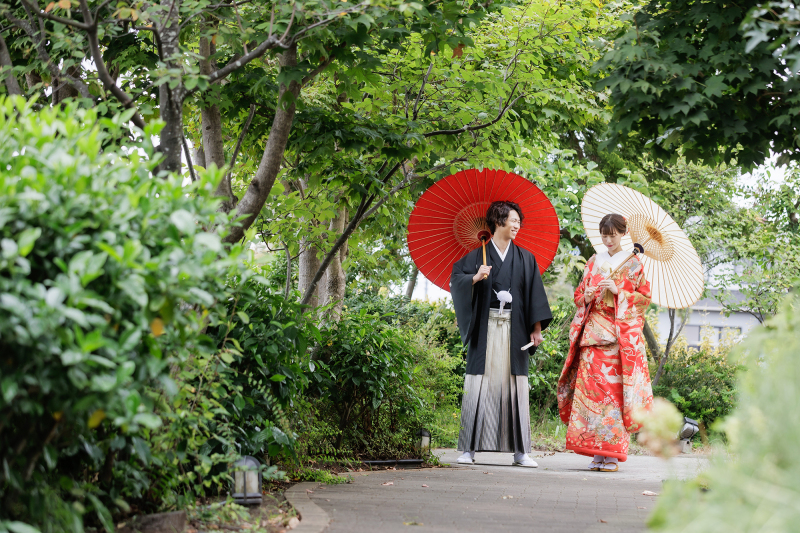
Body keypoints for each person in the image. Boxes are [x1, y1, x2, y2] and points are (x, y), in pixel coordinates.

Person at [450, 201, 553, 467]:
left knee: (515, 385)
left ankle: (520, 452)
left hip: (514, 330)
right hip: (485, 329)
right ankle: (468, 450)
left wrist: (536, 329)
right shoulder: (477, 256)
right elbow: (456, 279)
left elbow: (534, 296)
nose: (517, 225)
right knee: (478, 384)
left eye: (519, 221)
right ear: (498, 221)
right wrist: (474, 277)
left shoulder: (525, 258)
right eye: (513, 220)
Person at [556, 214, 653, 472]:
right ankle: (596, 453)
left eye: (613, 234)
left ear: (623, 234)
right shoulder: (592, 262)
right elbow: (578, 295)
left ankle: (612, 455)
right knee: (590, 396)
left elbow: (644, 299)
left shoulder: (633, 265)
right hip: (591, 338)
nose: (608, 240)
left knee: (612, 399)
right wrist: (586, 296)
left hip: (615, 340)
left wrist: (621, 291)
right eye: (604, 234)